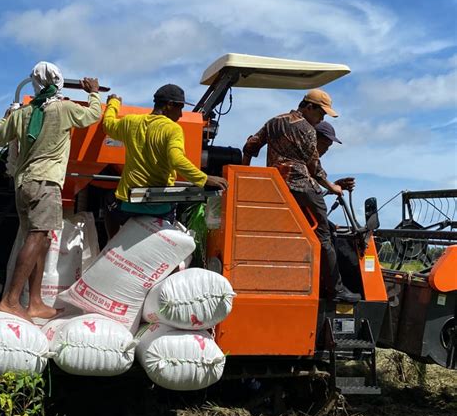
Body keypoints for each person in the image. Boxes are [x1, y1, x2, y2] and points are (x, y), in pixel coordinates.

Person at [0, 62, 101, 321]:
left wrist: (7, 115)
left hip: (23, 184)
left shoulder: (22, 114)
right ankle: (10, 300)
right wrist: (94, 92)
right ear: (59, 82)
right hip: (46, 183)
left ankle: (36, 302)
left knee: (41, 239)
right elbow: (93, 115)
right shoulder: (65, 109)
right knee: (38, 237)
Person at [242, 88, 360, 303]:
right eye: (321, 113)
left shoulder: (274, 121)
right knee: (325, 237)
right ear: (309, 107)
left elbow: (250, 145)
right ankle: (336, 291)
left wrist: (243, 175)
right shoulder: (307, 129)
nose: (321, 118)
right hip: (301, 186)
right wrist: (332, 186)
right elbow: (314, 165)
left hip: (276, 186)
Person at [102, 83, 227, 225]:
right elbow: (177, 160)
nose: (180, 115)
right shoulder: (173, 129)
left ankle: (112, 243)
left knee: (108, 199)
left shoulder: (130, 122)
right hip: (161, 209)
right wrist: (205, 179)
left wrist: (113, 103)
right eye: (180, 108)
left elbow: (107, 124)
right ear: (169, 105)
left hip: (128, 206)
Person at [315, 121, 355, 193]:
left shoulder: (312, 166)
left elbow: (314, 190)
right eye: (323, 143)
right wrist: (331, 187)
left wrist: (334, 185)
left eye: (328, 146)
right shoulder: (304, 161)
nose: (326, 149)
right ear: (312, 139)